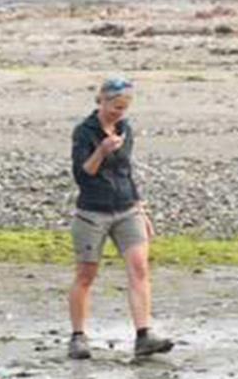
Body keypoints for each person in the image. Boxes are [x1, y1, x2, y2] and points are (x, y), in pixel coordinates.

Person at [67, 77, 174, 360]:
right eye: (115, 107)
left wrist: (141, 209)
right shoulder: (83, 132)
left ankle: (144, 335)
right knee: (86, 274)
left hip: (126, 209)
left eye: (124, 108)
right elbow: (83, 173)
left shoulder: (125, 129)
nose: (119, 113)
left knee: (139, 269)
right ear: (101, 101)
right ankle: (78, 337)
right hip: (92, 212)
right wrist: (101, 151)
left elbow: (126, 171)